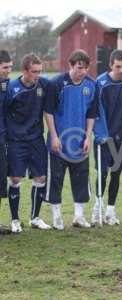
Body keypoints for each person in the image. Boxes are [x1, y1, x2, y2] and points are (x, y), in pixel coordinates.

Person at [44, 49, 97, 230]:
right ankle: (57, 217)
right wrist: (53, 136)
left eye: (85, 68)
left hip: (79, 142)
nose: (81, 72)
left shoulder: (91, 85)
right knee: (56, 180)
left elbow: (91, 113)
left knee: (81, 179)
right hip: (59, 142)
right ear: (70, 66)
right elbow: (48, 112)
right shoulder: (57, 83)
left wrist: (88, 137)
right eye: (78, 68)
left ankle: (79, 216)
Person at [91, 49, 122, 226]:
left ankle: (111, 210)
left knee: (116, 173)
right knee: (103, 172)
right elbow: (96, 110)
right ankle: (97, 206)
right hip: (104, 136)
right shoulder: (101, 82)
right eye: (118, 66)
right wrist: (101, 133)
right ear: (110, 65)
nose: (121, 70)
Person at [5, 53, 51, 233]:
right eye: (34, 71)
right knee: (15, 178)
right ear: (25, 70)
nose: (37, 75)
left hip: (36, 139)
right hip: (16, 140)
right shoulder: (11, 88)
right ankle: (15, 219)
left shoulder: (43, 85)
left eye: (40, 71)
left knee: (41, 178)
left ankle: (35, 217)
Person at [0, 50, 12, 235]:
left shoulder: (9, 85)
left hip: (2, 139)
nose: (9, 70)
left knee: (1, 182)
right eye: (5, 67)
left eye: (10, 67)